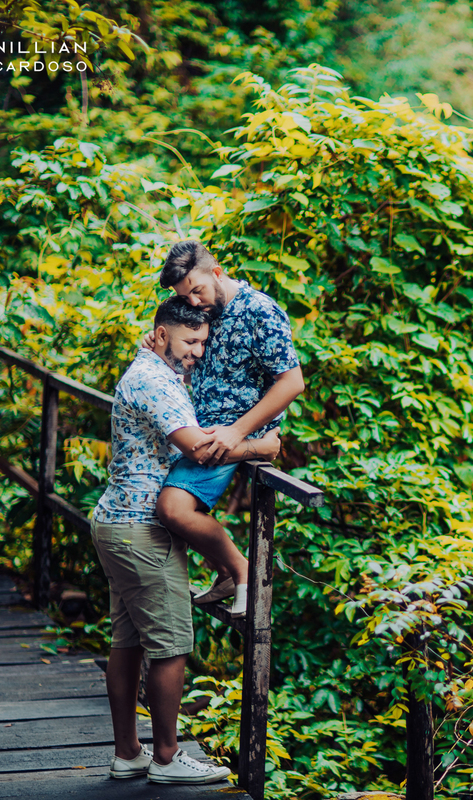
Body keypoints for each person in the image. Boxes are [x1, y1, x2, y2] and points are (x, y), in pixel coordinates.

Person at [92, 297, 280, 784]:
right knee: (170, 646)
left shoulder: (148, 368)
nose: (197, 352)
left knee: (127, 642)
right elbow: (199, 450)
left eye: (202, 343)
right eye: (190, 341)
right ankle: (168, 759)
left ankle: (128, 752)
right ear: (161, 333)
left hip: (117, 521)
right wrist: (263, 445)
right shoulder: (156, 382)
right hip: (141, 530)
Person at [145, 240, 305, 617]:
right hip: (193, 426)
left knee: (173, 508)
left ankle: (242, 571)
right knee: (157, 508)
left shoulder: (259, 311)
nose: (195, 302)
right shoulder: (202, 309)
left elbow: (292, 382)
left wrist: (238, 431)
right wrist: (157, 344)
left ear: (217, 272)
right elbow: (182, 351)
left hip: (232, 432)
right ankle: (226, 573)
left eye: (197, 291)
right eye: (186, 296)